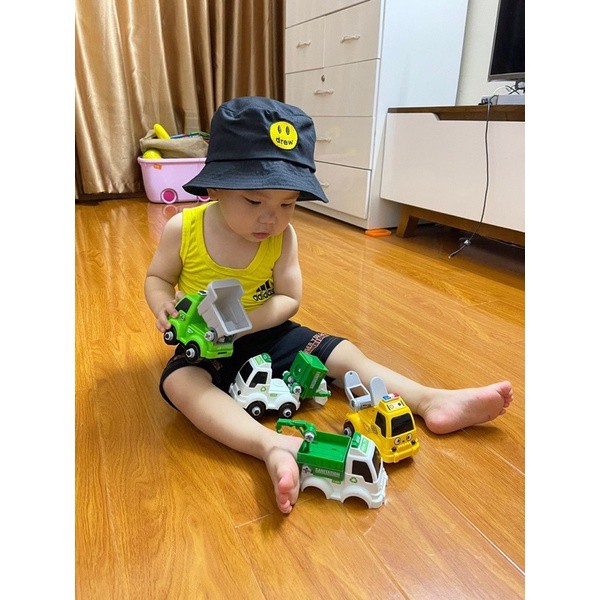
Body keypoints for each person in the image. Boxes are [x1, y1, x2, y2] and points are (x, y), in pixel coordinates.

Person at [144, 97, 513, 514]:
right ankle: (270, 445)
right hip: (209, 343)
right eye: (254, 201)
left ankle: (430, 400)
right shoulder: (184, 229)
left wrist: (247, 322)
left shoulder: (282, 238)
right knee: (180, 384)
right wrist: (163, 304)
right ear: (215, 187)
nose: (271, 218)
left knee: (345, 353)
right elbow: (157, 278)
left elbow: (289, 298)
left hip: (269, 332)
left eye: (287, 204)